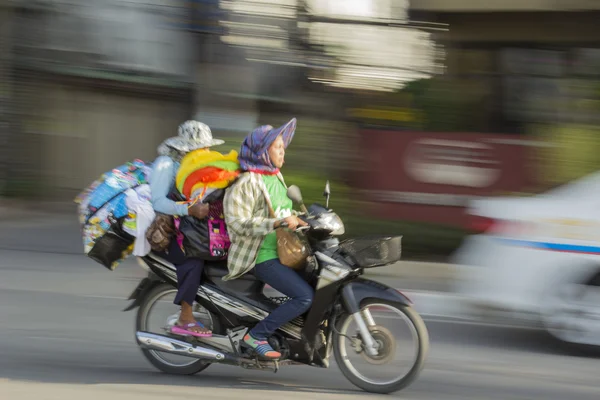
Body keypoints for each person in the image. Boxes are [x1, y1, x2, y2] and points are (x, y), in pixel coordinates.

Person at [223, 118, 313, 359]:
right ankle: (256, 336)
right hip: (261, 255)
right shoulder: (247, 181)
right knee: (304, 296)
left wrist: (302, 218)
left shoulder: (276, 176)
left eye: (283, 146)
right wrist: (277, 223)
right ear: (263, 150)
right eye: (278, 147)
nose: (283, 151)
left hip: (284, 252)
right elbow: (237, 223)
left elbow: (281, 212)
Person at [150, 120, 224, 337]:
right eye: (203, 148)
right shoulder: (166, 164)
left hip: (193, 228)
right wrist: (189, 210)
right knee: (193, 258)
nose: (207, 151)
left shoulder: (200, 166)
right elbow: (158, 202)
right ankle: (185, 317)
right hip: (169, 233)